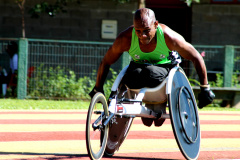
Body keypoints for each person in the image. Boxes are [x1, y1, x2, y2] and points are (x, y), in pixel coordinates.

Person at [89, 8, 214, 111]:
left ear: (155, 24)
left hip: (162, 70)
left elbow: (196, 56)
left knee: (151, 73)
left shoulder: (168, 37)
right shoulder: (125, 38)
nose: (142, 36)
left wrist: (205, 88)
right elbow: (106, 61)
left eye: (147, 31)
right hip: (139, 71)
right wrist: (97, 88)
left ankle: (158, 104)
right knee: (131, 76)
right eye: (138, 31)